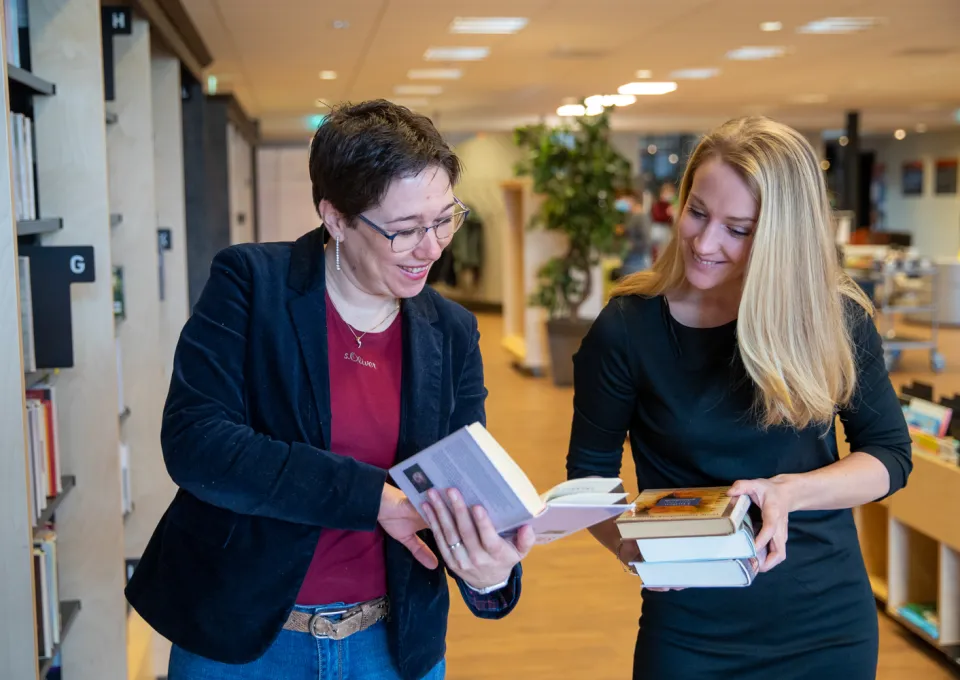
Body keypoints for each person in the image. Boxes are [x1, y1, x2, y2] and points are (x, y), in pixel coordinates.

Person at [125, 99, 535, 680]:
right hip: (246, 642)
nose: (433, 246)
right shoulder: (251, 285)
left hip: (389, 646)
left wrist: (489, 571)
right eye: (404, 230)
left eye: (445, 218)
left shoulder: (451, 329)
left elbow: (460, 475)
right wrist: (375, 498)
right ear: (336, 218)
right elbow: (198, 443)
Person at [566, 116, 912, 679]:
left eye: (739, 229)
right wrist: (631, 548)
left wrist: (790, 492)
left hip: (825, 625)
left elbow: (890, 458)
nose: (705, 243)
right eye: (697, 212)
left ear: (782, 236)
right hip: (690, 632)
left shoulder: (834, 317)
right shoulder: (627, 329)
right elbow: (588, 479)